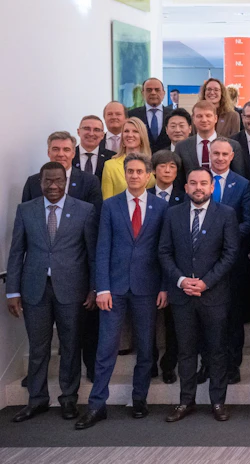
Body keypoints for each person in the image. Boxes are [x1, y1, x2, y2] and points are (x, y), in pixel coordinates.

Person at [76, 153, 168, 429]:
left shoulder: (161, 207)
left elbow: (165, 250)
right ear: (125, 174)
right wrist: (101, 287)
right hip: (113, 289)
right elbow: (102, 247)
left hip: (147, 287)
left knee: (145, 347)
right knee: (106, 347)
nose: (135, 176)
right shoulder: (110, 205)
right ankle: (96, 405)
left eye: (140, 171)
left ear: (149, 175)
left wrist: (164, 287)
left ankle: (139, 398)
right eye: (130, 171)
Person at [6, 162, 97, 423]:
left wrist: (93, 287)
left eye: (58, 180)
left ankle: (68, 399)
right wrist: (12, 291)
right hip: (35, 289)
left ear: (65, 182)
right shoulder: (26, 210)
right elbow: (16, 252)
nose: (53, 186)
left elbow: (92, 254)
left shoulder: (85, 210)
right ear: (40, 182)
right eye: (48, 181)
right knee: (38, 347)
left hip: (72, 290)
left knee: (70, 346)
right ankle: (37, 400)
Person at [159, 167, 240, 423]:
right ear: (186, 187)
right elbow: (164, 251)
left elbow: (230, 254)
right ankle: (186, 400)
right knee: (186, 351)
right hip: (182, 295)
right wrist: (181, 280)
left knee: (217, 350)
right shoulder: (173, 214)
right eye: (193, 183)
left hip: (214, 295)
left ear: (212, 187)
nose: (198, 188)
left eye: (203, 183)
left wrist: (206, 282)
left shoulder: (226, 214)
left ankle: (218, 401)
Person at [208, 139, 250, 385]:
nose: (219, 158)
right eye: (215, 153)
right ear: (209, 154)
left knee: (233, 315)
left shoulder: (242, 184)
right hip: (203, 260)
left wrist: (226, 237)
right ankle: (207, 365)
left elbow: (249, 220)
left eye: (224, 154)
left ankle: (232, 364)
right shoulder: (199, 180)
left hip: (233, 260)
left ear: (231, 156)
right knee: (206, 316)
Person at [149, 150, 185, 384]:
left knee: (173, 321)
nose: (168, 170)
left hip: (175, 266)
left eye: (172, 166)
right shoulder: (144, 195)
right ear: (153, 170)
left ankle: (169, 364)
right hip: (148, 265)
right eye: (163, 166)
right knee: (148, 320)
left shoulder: (184, 197)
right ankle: (149, 361)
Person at [23, 131, 103, 213]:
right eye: (55, 149)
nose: (61, 154)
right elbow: (25, 214)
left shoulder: (90, 181)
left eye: (66, 150)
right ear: (48, 153)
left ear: (73, 154)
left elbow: (95, 215)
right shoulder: (33, 182)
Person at [179, 101, 245, 177]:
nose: (204, 120)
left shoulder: (233, 145)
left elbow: (239, 177)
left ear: (215, 118)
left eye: (208, 116)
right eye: (199, 116)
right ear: (193, 119)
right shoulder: (182, 147)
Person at [101, 118, 155, 199]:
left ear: (142, 136)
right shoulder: (110, 165)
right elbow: (107, 200)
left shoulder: (152, 164)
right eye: (126, 131)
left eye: (135, 131)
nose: (130, 135)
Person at [129, 77, 173, 150]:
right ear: (143, 93)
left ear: (164, 93)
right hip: (141, 155)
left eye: (157, 90)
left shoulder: (173, 114)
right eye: (149, 90)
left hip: (167, 155)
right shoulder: (133, 115)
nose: (153, 93)